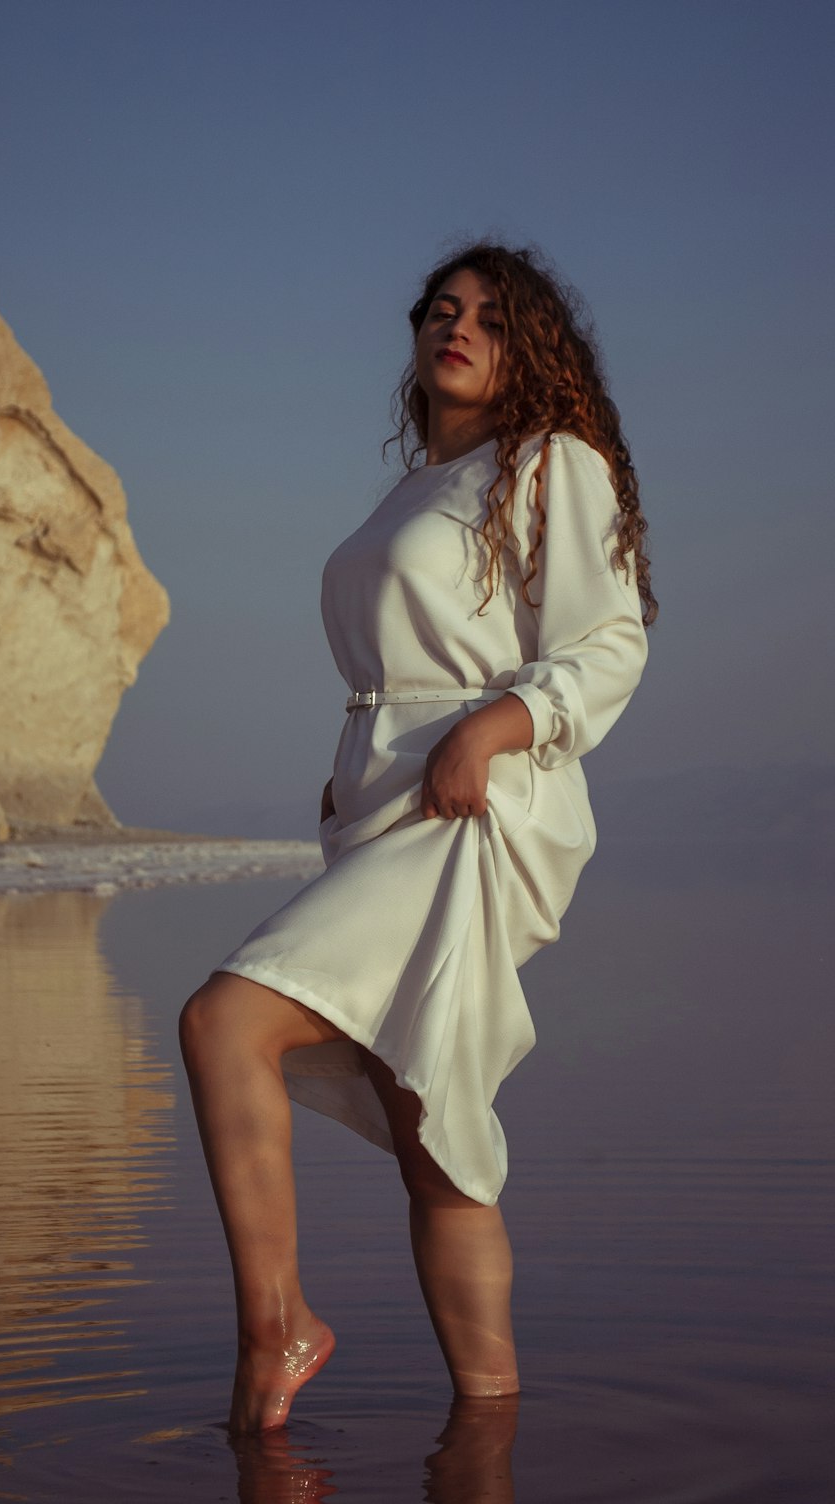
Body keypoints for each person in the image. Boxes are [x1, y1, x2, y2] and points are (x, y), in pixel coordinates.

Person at [179, 240, 656, 1434]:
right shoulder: (412, 493)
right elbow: (393, 667)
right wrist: (347, 777)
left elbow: (610, 644)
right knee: (428, 1121)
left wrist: (491, 727)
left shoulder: (552, 462)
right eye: (442, 311)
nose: (459, 327)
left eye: (492, 318)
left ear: (530, 347)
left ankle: (276, 1326)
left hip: (473, 807)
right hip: (388, 806)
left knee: (223, 1018)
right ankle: (488, 1421)